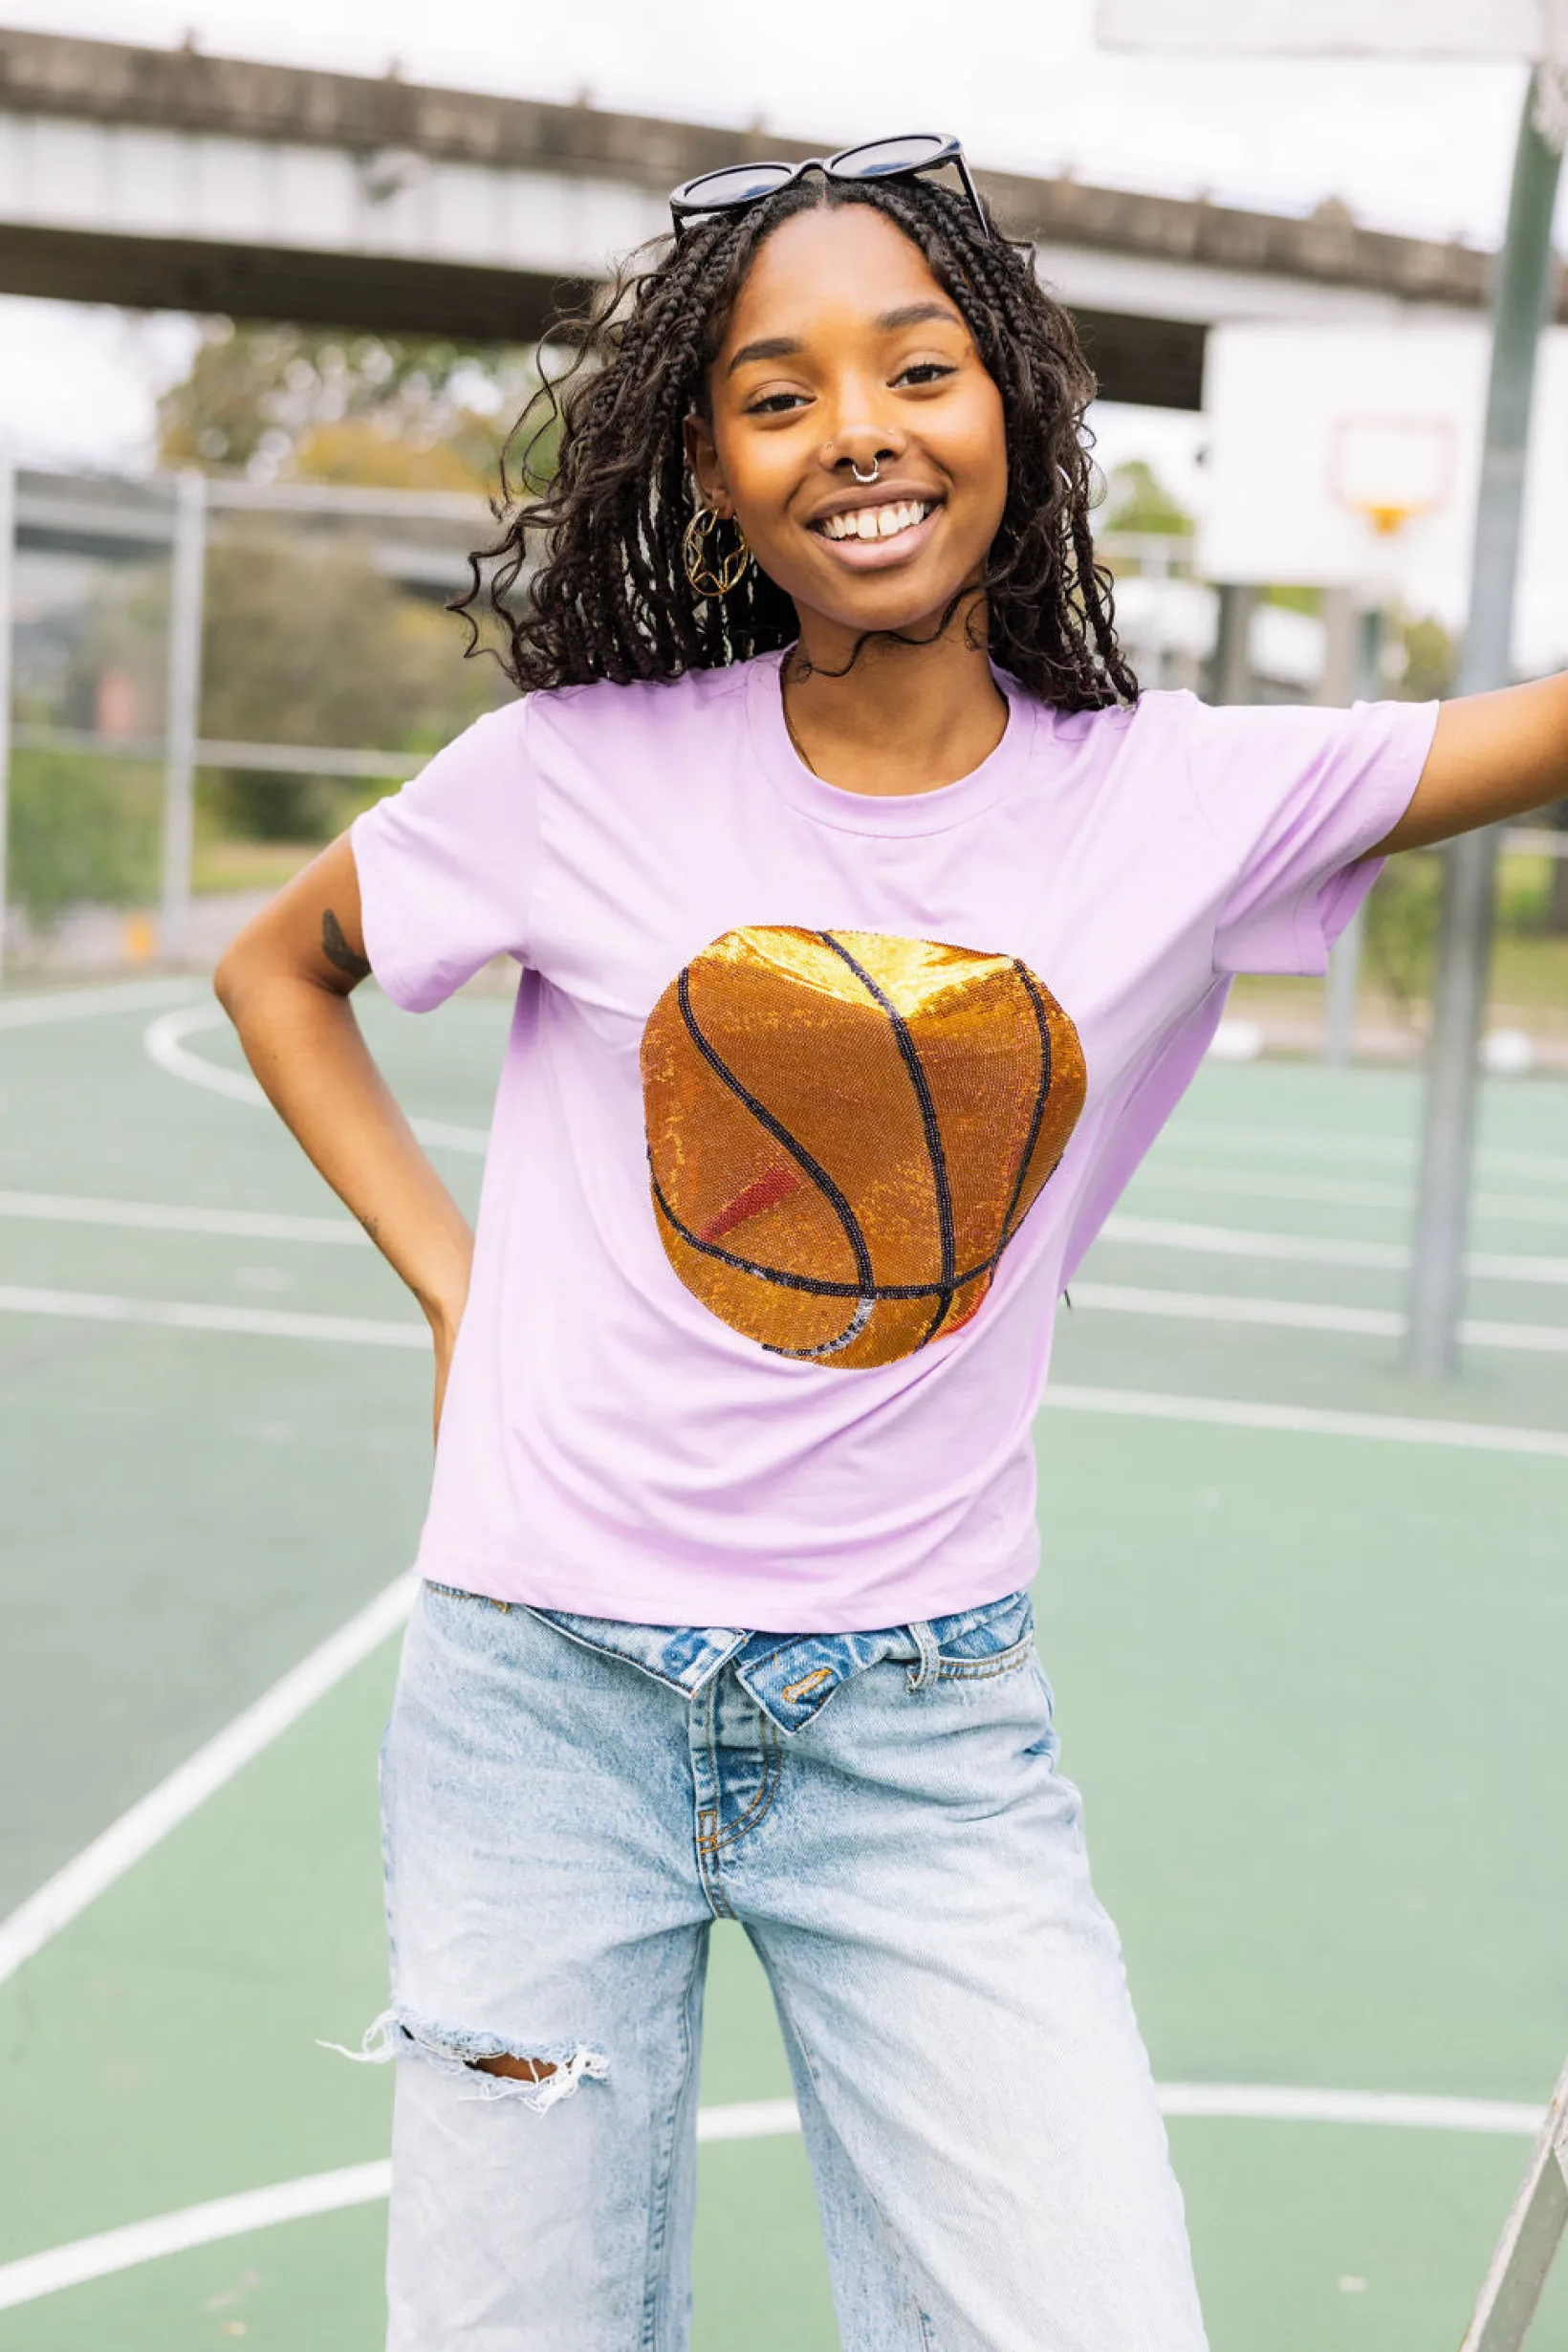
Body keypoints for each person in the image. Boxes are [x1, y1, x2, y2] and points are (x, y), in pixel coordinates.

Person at [214, 137, 1568, 2352]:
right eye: (776, 393)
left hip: (920, 1738)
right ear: (709, 471)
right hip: (535, 1714)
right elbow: (283, 969)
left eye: (916, 366)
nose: (856, 424)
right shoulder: (574, 773)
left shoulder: (1178, 795)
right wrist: (457, 1283)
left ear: (1014, 409)